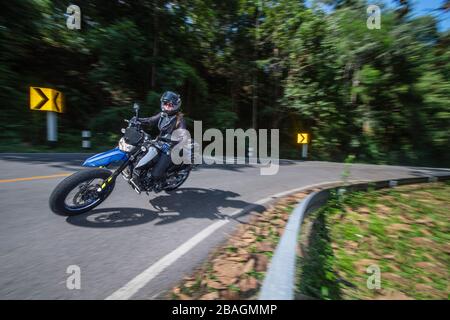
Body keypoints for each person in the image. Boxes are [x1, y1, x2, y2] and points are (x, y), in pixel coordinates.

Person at [131, 91, 187, 192]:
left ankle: (162, 182)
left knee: (156, 174)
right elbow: (150, 120)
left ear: (176, 106)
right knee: (140, 154)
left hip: (170, 148)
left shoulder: (180, 119)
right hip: (159, 143)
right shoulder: (163, 115)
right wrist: (137, 120)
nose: (167, 107)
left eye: (170, 105)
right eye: (165, 104)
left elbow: (182, 133)